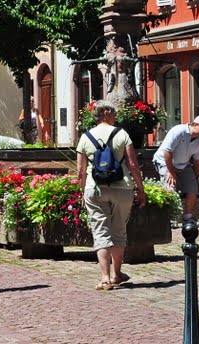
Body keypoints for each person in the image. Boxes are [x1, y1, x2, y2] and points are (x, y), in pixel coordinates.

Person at [76, 99, 147, 291]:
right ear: (106, 113)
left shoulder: (85, 137)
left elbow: (80, 171)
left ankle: (105, 278)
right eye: (114, 113)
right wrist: (140, 189)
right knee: (118, 230)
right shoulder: (122, 134)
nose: (116, 116)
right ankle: (116, 274)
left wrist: (82, 191)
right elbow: (132, 164)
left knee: (100, 231)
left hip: (95, 188)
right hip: (122, 188)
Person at [153, 115, 199, 223]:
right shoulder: (178, 131)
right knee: (170, 187)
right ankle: (170, 219)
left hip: (183, 164)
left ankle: (188, 217)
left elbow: (197, 160)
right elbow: (167, 152)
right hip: (164, 161)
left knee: (192, 187)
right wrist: (170, 171)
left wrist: (198, 175)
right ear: (195, 124)